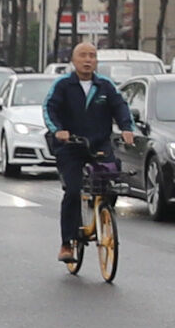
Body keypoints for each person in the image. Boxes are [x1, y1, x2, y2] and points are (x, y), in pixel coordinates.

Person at [41, 37, 131, 228]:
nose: (88, 60)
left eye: (92, 56)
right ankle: (69, 239)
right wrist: (58, 130)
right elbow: (50, 109)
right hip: (71, 146)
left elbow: (120, 107)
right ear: (73, 61)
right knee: (73, 192)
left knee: (109, 183)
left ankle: (103, 218)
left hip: (100, 144)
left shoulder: (105, 85)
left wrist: (126, 128)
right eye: (83, 55)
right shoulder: (63, 85)